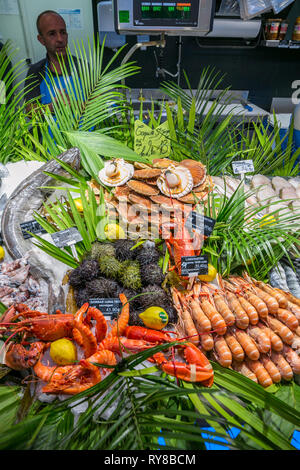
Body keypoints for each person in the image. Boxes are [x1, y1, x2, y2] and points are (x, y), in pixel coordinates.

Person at [24, 10, 78, 113]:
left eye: (63, 32)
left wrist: (75, 105)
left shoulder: (82, 66)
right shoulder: (35, 72)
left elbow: (97, 100)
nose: (60, 39)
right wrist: (53, 107)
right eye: (52, 34)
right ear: (41, 40)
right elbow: (30, 111)